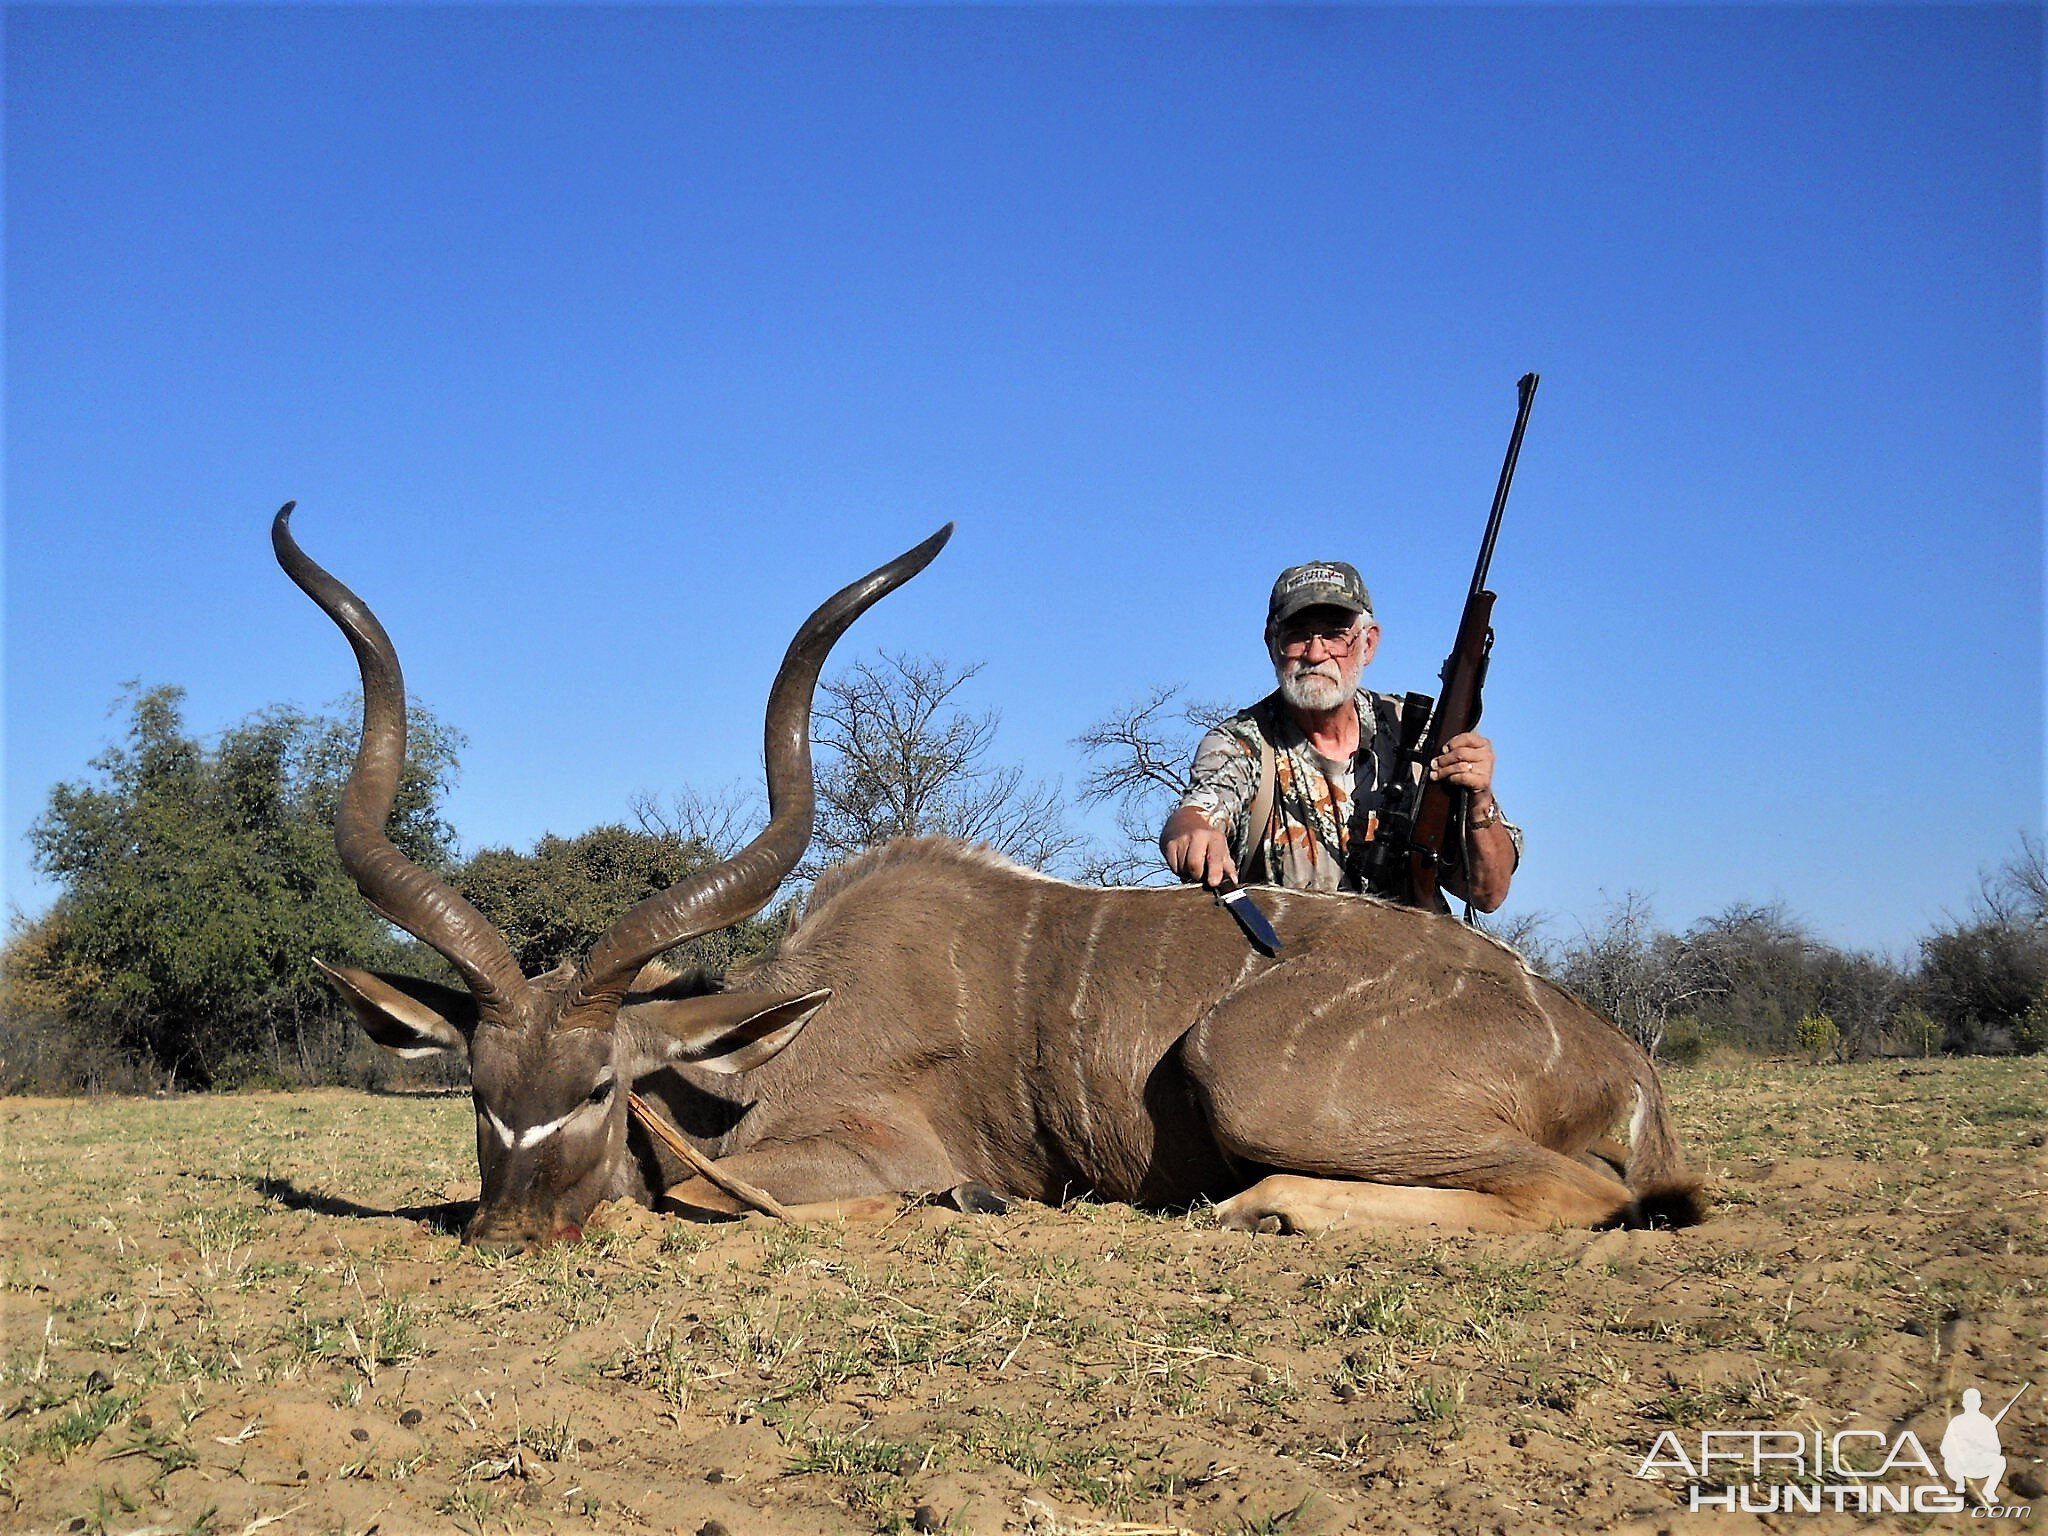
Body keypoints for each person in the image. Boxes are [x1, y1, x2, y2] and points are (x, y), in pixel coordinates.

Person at [1158, 560, 1521, 911]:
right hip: (1294, 963)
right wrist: (1191, 831)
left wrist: (1478, 800)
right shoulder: (1242, 742)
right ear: (1272, 644)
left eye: (1335, 634)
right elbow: (1197, 814)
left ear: (1369, 644)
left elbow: (1489, 894)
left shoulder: (1416, 732)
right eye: (1297, 635)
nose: (1316, 653)